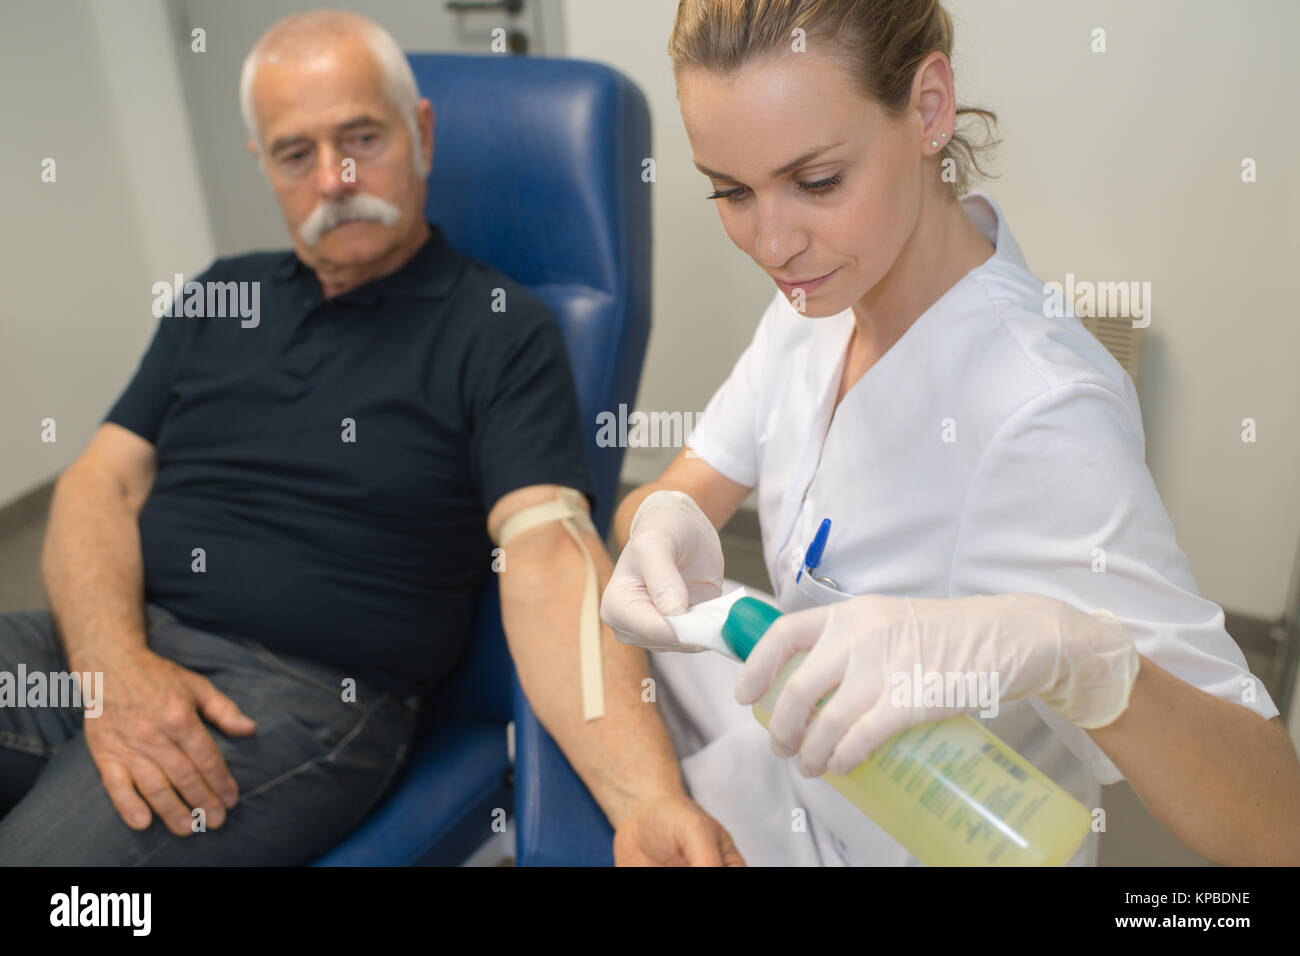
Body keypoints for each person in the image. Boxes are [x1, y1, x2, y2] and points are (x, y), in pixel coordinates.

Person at [0, 10, 741, 866]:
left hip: (288, 694)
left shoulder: (499, 329)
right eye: (296, 154)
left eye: (361, 136)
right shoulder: (219, 294)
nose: (336, 178)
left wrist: (647, 800)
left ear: (420, 130)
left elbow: (549, 554)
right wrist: (111, 667)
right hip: (99, 637)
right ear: (264, 168)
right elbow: (101, 484)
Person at [601, 0, 1300, 865]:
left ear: (928, 109)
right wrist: (660, 524)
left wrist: (1075, 655)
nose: (773, 243)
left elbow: (1275, 826)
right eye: (732, 192)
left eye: (817, 182)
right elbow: (672, 500)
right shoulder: (818, 302)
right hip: (798, 783)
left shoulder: (1039, 411)